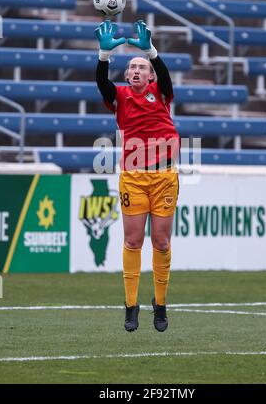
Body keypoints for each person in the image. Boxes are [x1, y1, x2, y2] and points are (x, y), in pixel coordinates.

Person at [95, 19, 180, 332]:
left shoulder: (161, 93)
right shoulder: (119, 96)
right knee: (133, 240)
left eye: (141, 66)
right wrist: (103, 57)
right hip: (133, 176)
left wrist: (151, 51)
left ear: (150, 74)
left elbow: (168, 79)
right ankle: (131, 306)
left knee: (161, 240)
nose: (135, 70)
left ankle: (161, 303)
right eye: (131, 66)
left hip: (164, 176)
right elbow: (102, 84)